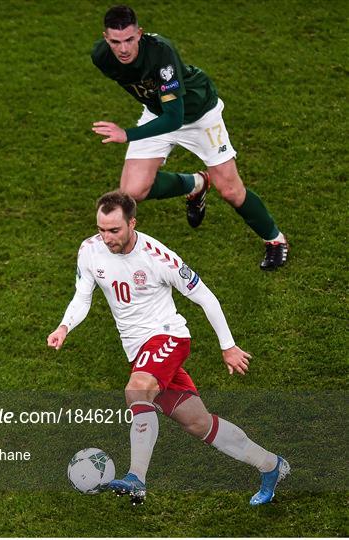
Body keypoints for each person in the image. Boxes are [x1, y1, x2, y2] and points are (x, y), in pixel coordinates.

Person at [47, 191, 290, 505]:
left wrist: (228, 346)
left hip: (168, 338)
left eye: (114, 230)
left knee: (136, 391)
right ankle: (271, 465)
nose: (107, 238)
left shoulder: (158, 258)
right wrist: (65, 326)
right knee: (199, 423)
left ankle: (136, 478)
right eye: (102, 229)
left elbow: (206, 297)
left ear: (132, 223)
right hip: (139, 352)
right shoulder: (90, 250)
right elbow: (83, 296)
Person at [91, 5, 289, 271]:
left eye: (129, 39)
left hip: (198, 114)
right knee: (132, 191)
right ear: (106, 38)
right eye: (116, 42)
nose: (123, 49)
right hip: (159, 112)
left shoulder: (161, 53)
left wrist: (127, 134)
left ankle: (275, 240)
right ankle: (195, 184)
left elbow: (175, 117)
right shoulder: (102, 57)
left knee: (230, 190)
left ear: (140, 33)